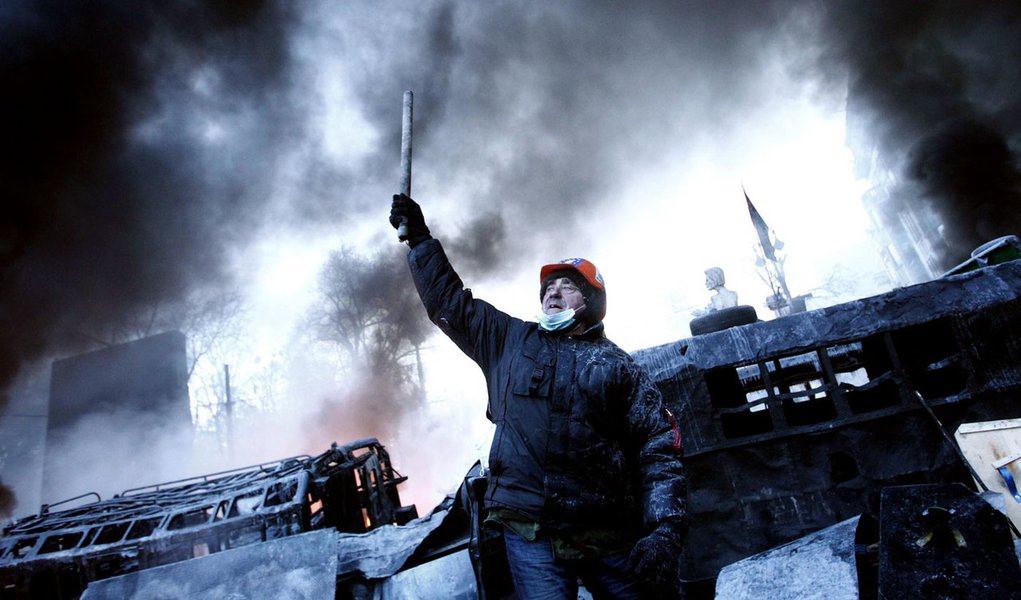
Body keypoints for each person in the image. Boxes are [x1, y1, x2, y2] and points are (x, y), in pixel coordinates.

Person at [390, 194, 687, 598]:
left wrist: (664, 529)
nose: (554, 293)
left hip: (607, 532)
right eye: (549, 287)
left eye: (568, 286)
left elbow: (658, 447)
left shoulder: (619, 367)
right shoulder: (508, 341)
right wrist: (420, 240)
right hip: (531, 532)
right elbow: (450, 303)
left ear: (593, 302)